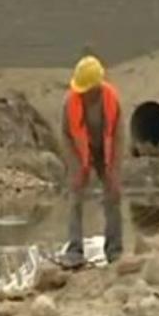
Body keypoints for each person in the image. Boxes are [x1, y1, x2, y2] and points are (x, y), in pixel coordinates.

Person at [60, 55, 124, 268]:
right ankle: (74, 250)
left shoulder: (112, 98)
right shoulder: (70, 102)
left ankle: (115, 250)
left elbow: (119, 135)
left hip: (105, 147)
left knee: (113, 195)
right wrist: (76, 168)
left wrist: (113, 169)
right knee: (76, 196)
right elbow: (67, 136)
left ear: (95, 87)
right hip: (79, 149)